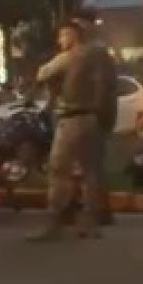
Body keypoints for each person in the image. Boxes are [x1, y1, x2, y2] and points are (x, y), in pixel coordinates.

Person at [27, 20, 102, 241]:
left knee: (58, 170)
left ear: (72, 36)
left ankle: (54, 223)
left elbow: (43, 73)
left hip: (71, 121)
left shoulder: (69, 56)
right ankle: (89, 225)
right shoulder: (92, 57)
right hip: (91, 119)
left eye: (62, 36)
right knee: (89, 173)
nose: (60, 41)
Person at [71, 9, 118, 226]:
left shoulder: (95, 51)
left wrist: (94, 110)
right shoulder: (92, 50)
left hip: (95, 113)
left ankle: (97, 211)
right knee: (92, 164)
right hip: (98, 112)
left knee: (91, 165)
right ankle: (100, 210)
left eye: (79, 26)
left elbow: (101, 84)